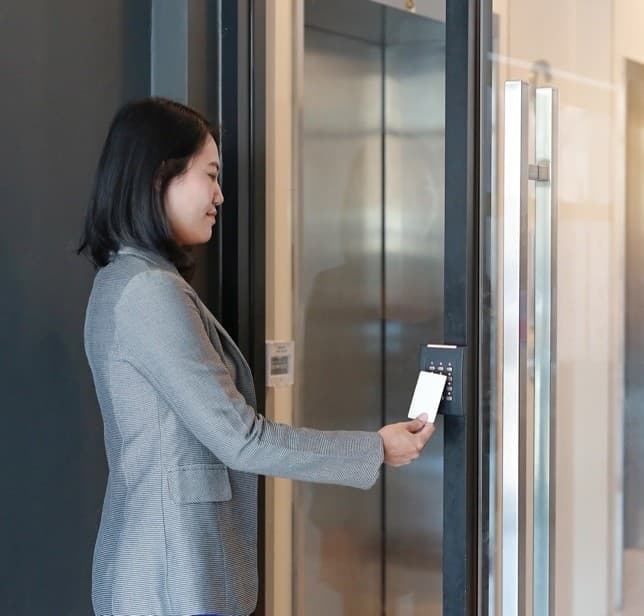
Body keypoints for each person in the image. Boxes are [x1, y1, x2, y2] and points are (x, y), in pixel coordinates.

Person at [78, 98, 435, 616]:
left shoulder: (122, 279)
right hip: (172, 569)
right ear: (161, 176)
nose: (220, 195)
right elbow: (241, 439)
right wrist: (375, 449)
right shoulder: (150, 291)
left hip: (158, 564)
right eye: (211, 174)